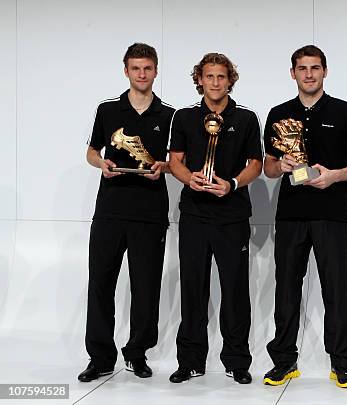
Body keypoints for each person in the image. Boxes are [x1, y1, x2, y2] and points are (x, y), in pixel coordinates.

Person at [263, 45, 347, 389]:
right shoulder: (279, 113)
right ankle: (284, 362)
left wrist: (335, 176)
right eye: (302, 68)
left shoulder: (346, 112)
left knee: (337, 292)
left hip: (331, 215)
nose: (309, 74)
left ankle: (342, 364)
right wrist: (279, 165)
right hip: (291, 216)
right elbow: (268, 167)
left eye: (314, 67)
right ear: (293, 73)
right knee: (285, 292)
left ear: (325, 71)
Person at [78, 43, 175, 382]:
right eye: (136, 68)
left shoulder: (170, 114)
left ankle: (137, 353)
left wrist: (162, 166)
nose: (142, 74)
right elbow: (92, 150)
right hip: (109, 210)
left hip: (150, 211)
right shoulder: (107, 110)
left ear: (156, 71)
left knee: (145, 286)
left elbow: (175, 161)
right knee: (101, 282)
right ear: (126, 70)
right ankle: (100, 357)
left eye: (147, 68)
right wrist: (100, 163)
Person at [167, 52, 262, 385]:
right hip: (194, 215)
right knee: (193, 288)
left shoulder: (247, 118)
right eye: (209, 76)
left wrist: (233, 184)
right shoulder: (183, 117)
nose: (216, 82)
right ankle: (190, 360)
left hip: (232, 216)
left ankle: (237, 361)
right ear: (200, 80)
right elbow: (174, 160)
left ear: (230, 80)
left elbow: (256, 163)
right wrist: (187, 178)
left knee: (235, 291)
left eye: (221, 76)